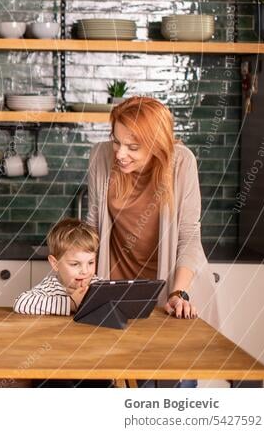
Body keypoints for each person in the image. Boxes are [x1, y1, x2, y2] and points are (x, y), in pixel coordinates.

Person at [87, 96, 219, 388]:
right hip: (116, 292)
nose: (120, 153)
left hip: (170, 291)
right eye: (116, 141)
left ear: (158, 145)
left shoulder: (182, 162)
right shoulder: (100, 156)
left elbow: (189, 236)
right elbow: (92, 225)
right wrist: (81, 278)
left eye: (133, 147)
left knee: (168, 392)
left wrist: (178, 294)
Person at [13, 218, 101, 315]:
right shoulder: (50, 287)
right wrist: (71, 304)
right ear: (55, 264)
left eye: (91, 262)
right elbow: (21, 303)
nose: (85, 271)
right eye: (75, 264)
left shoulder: (98, 285)